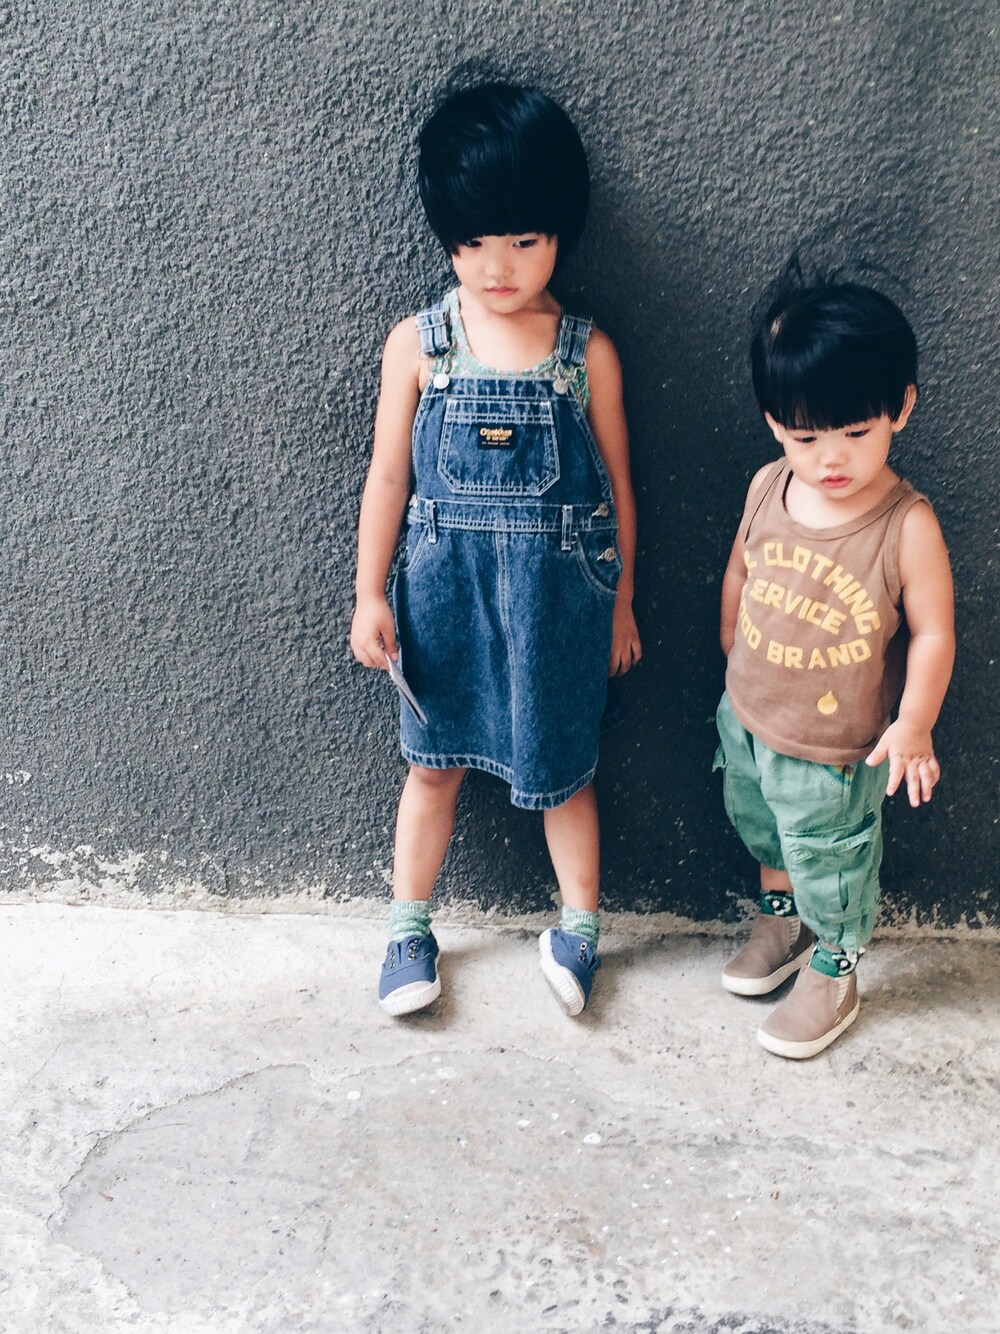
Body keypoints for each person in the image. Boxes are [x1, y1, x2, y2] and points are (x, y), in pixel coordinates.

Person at [350, 82, 641, 1018]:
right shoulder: (420, 344)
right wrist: (369, 594)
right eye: (473, 242)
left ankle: (580, 928)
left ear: (561, 231)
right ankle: (407, 929)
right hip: (443, 599)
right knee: (431, 764)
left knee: (563, 771)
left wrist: (622, 604)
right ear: (446, 239)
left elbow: (615, 491)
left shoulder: (585, 354)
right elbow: (388, 479)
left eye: (523, 239)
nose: (498, 266)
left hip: (557, 605)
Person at [715, 268, 954, 1057]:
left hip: (835, 749)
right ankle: (783, 924)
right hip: (750, 718)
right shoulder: (767, 485)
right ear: (774, 423)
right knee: (764, 829)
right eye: (806, 437)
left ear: (901, 408)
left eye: (855, 432)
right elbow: (741, 571)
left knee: (831, 856)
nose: (831, 459)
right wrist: (731, 647)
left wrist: (914, 722)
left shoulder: (905, 524)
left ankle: (835, 963)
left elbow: (933, 633)